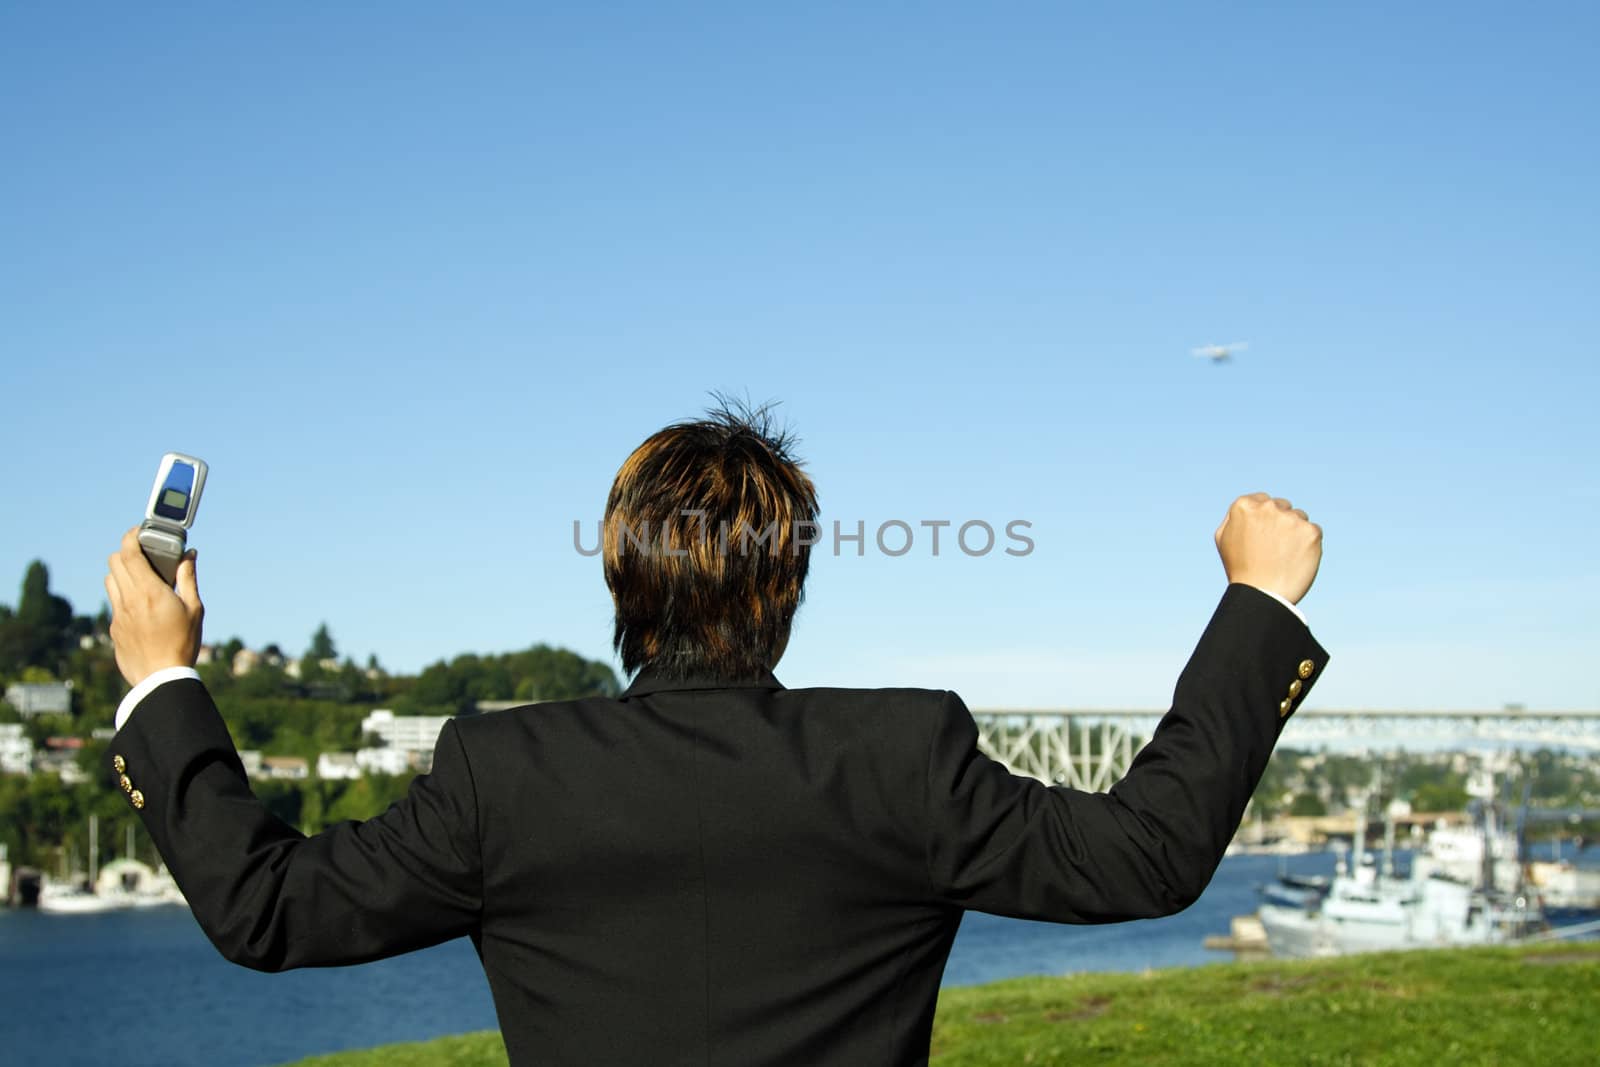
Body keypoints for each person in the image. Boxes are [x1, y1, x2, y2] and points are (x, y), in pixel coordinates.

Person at [102, 403, 1327, 1066]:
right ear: (786, 584)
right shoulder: (902, 758)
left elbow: (264, 906)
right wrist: (1258, 604)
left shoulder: (501, 774)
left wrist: (164, 678)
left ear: (621, 580)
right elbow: (1148, 853)